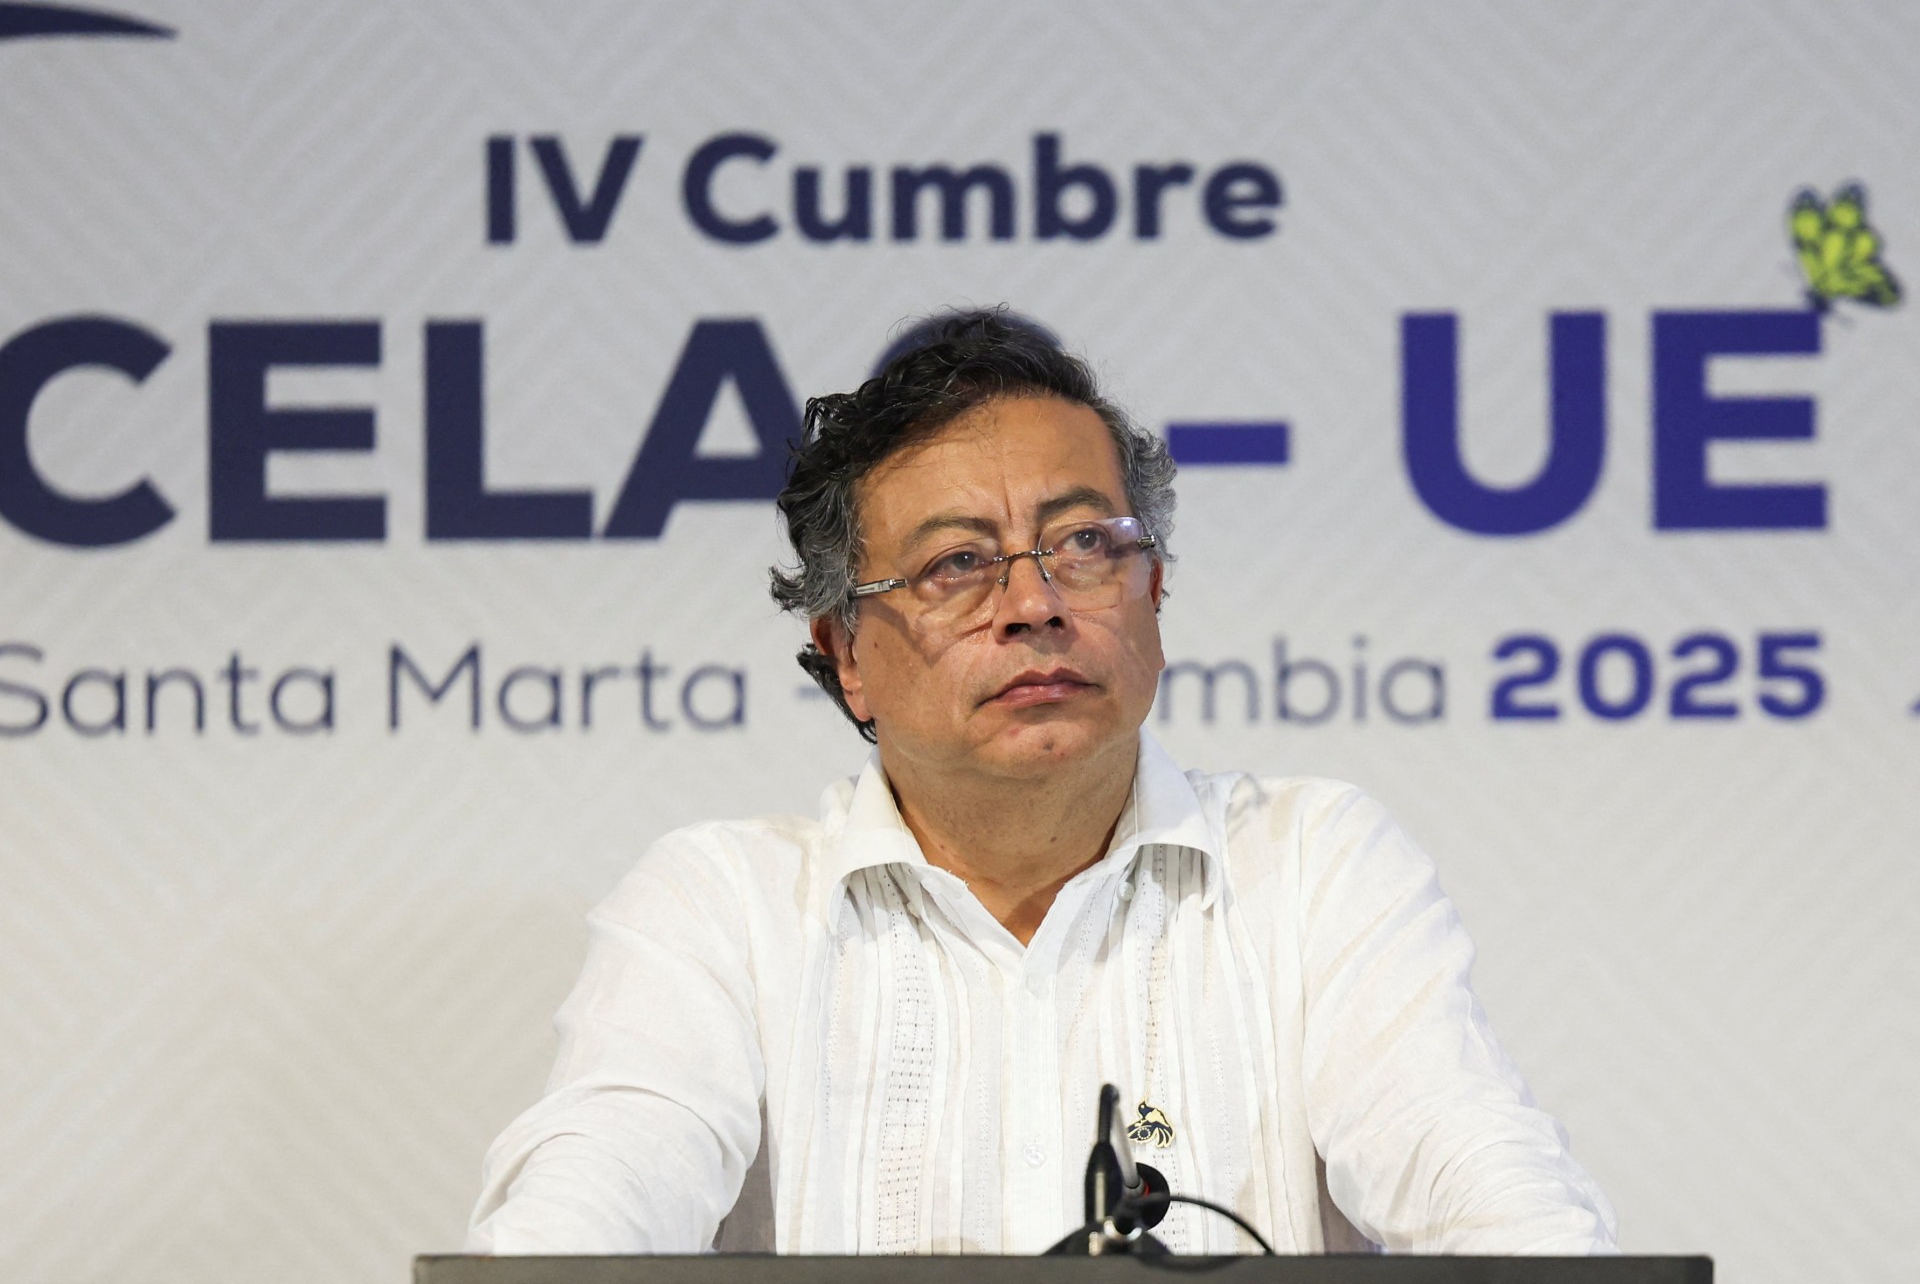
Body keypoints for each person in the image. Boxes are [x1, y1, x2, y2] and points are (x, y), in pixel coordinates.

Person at [467, 308, 1617, 1256]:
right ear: (845, 652)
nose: (1035, 603)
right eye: (958, 563)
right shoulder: (726, 906)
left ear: (1153, 593)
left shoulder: (1313, 865)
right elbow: (588, 1212)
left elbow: (1489, 1191)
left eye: (1084, 544)